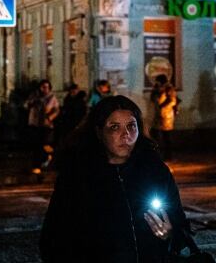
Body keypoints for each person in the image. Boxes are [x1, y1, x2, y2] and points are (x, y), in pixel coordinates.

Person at [40, 95, 190, 262]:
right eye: (114, 127)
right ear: (99, 132)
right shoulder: (78, 176)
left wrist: (170, 234)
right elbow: (53, 239)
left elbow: (181, 226)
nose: (125, 135)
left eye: (131, 126)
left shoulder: (155, 171)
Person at [26, 79, 60, 172]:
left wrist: (50, 118)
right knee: (36, 145)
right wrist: (33, 102)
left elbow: (56, 110)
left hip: (46, 125)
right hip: (35, 124)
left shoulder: (52, 98)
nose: (45, 89)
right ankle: (37, 165)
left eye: (47, 87)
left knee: (45, 144)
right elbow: (26, 105)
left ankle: (48, 157)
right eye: (43, 87)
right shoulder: (34, 96)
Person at [151, 83, 179, 161]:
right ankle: (166, 156)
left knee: (167, 137)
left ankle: (168, 156)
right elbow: (159, 104)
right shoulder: (163, 94)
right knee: (165, 137)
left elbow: (172, 102)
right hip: (163, 118)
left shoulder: (169, 94)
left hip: (167, 118)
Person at [56, 83, 87, 147]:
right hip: (68, 123)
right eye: (72, 90)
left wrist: (79, 125)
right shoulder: (68, 98)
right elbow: (65, 109)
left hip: (76, 123)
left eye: (75, 90)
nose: (73, 92)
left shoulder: (80, 100)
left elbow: (83, 113)